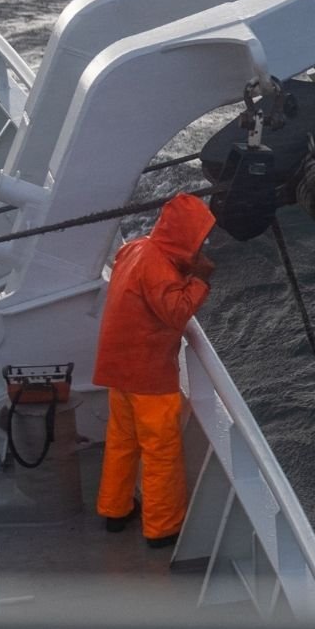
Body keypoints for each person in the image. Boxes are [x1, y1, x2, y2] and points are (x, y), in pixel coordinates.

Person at [93, 193, 216, 548]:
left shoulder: (135, 249)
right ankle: (163, 529)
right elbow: (176, 312)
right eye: (199, 237)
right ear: (186, 236)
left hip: (118, 369)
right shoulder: (160, 266)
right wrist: (200, 280)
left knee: (122, 442)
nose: (201, 244)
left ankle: (114, 511)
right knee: (160, 452)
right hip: (149, 375)